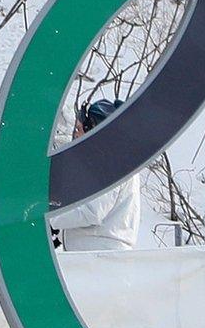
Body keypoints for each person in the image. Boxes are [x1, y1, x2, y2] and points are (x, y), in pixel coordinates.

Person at [48, 99, 141, 252]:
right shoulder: (107, 162)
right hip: (92, 254)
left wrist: (52, 219)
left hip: (101, 256)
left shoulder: (111, 164)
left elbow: (92, 211)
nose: (76, 134)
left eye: (80, 129)